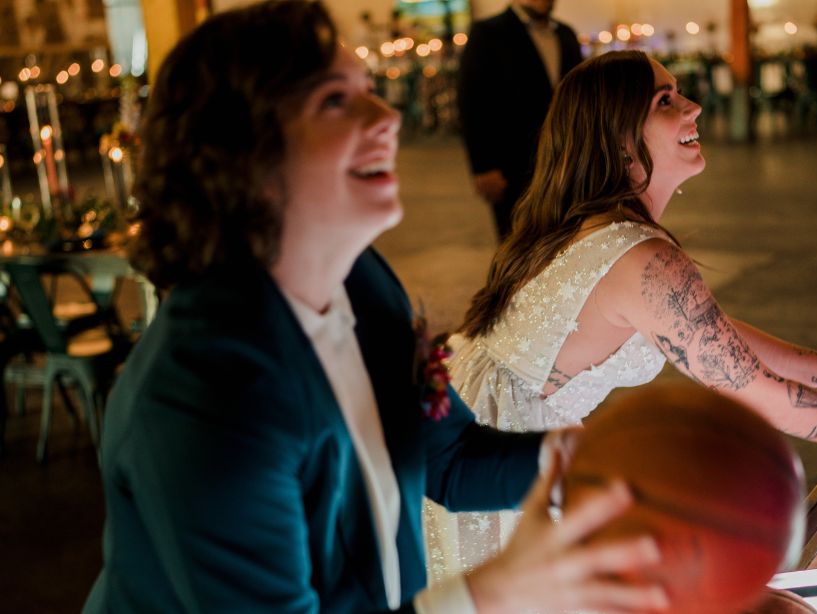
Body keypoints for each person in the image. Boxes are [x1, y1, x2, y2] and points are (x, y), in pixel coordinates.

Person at [82, 5, 671, 613]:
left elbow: (451, 461)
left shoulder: (362, 284)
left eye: (369, 91)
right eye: (336, 101)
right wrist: (493, 593)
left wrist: (593, 460)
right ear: (240, 149)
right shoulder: (206, 395)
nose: (387, 117)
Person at [426, 50, 817, 582]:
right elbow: (755, 392)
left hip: (493, 434)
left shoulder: (595, 226)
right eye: (666, 100)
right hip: (502, 459)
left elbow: (710, 334)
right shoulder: (639, 257)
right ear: (618, 135)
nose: (694, 107)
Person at [457, 0, 582, 240]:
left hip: (567, 161)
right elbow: (473, 102)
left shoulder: (565, 34)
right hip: (511, 165)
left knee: (566, 240)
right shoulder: (488, 33)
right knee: (518, 243)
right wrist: (482, 166)